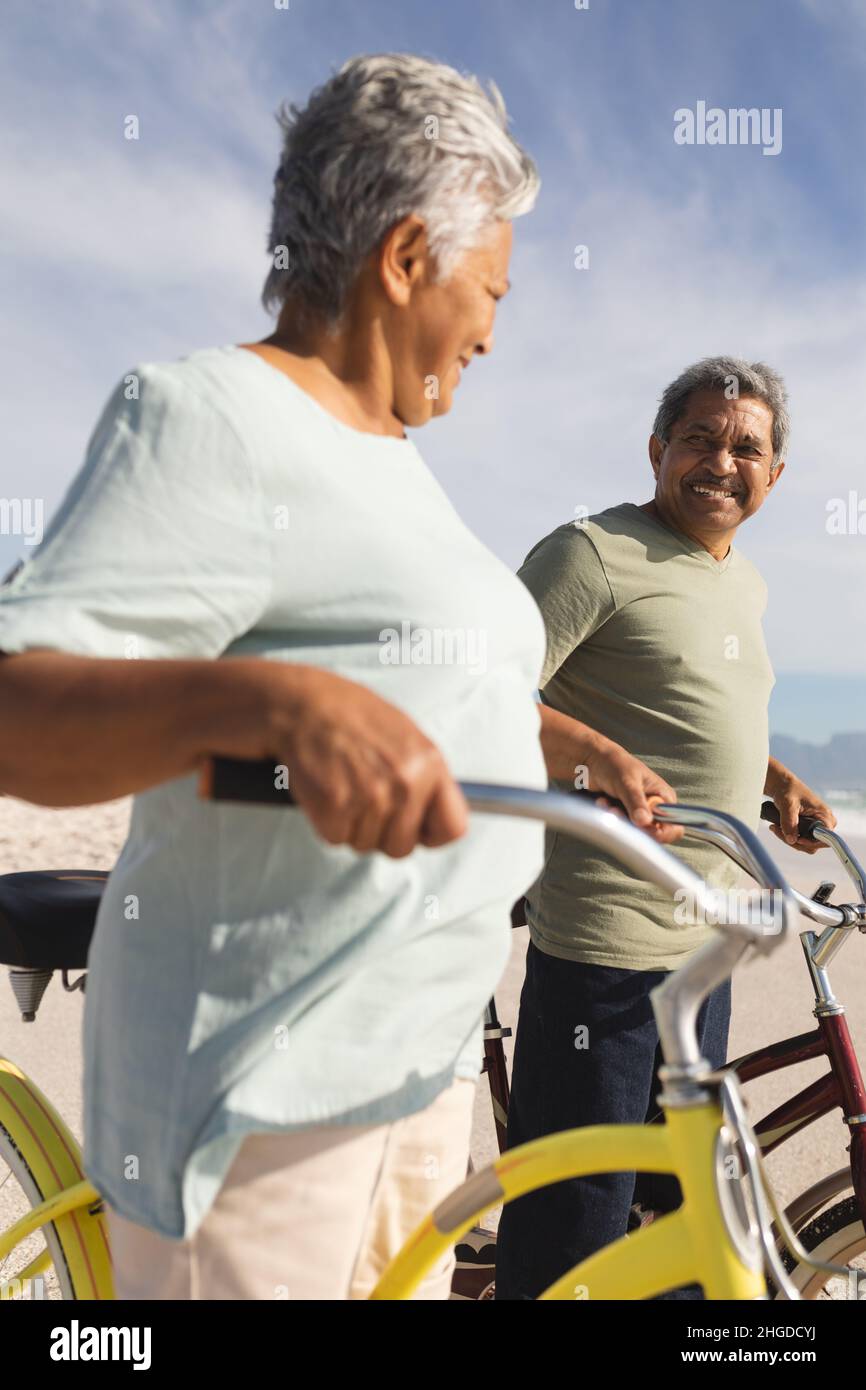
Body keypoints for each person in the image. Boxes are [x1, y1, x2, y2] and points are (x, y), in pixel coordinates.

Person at [0, 53, 678, 1300]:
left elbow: (420, 691)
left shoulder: (397, 463)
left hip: (408, 1081)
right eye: (492, 288)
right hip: (262, 1111)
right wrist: (268, 706)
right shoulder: (210, 414)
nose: (491, 328)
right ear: (407, 257)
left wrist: (578, 748)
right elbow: (22, 706)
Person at [495, 356, 837, 1300]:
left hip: (702, 947)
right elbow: (479, 693)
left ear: (775, 476)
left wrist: (776, 780)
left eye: (747, 448)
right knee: (574, 1230)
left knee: (681, 1222)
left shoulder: (745, 582)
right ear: (657, 450)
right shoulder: (592, 554)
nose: (722, 462)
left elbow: (685, 705)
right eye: (700, 439)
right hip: (604, 945)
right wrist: (593, 754)